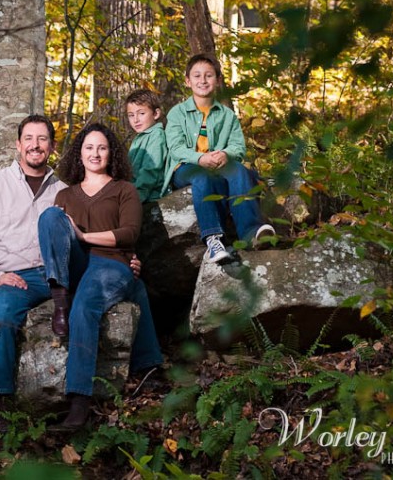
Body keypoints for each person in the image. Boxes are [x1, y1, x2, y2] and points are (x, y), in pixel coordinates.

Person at [0, 115, 144, 432]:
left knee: (96, 293)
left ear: (52, 146)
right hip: (16, 277)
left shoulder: (63, 189)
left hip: (61, 272)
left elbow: (93, 232)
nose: (35, 145)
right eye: (28, 138)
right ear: (18, 144)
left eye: (42, 139)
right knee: (1, 314)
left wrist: (129, 259)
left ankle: (139, 365)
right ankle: (2, 405)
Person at [37, 123, 164, 431]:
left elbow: (129, 233)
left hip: (113, 264)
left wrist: (84, 235)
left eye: (102, 148)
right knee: (50, 216)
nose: (95, 153)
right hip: (79, 266)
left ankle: (79, 404)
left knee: (86, 306)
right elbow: (57, 238)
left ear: (112, 154)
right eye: (89, 148)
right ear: (79, 154)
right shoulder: (65, 195)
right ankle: (59, 299)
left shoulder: (124, 190)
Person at [163, 53, 275, 263]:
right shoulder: (177, 113)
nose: (202, 80)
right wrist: (199, 158)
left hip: (218, 164)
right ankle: (214, 239)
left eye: (208, 75)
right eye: (196, 76)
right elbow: (175, 148)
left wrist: (225, 154)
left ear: (217, 80)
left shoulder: (226, 115)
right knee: (202, 177)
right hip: (187, 167)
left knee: (239, 170)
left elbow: (238, 147)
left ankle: (251, 233)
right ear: (188, 81)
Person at [126, 88, 168, 203]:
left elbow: (151, 170)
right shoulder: (140, 137)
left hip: (148, 196)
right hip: (134, 193)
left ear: (156, 114)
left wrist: (135, 198)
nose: (135, 120)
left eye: (141, 113)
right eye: (131, 115)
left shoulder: (156, 136)